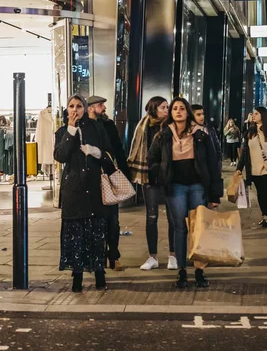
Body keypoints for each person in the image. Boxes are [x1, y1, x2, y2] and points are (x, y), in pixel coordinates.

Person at [148, 97, 222, 288]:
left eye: (182, 108)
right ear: (171, 113)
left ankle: (199, 270)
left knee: (198, 228)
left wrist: (215, 195)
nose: (178, 111)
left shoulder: (201, 135)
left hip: (198, 186)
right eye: (175, 109)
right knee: (180, 228)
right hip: (176, 187)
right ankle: (181, 270)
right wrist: (162, 172)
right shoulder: (164, 135)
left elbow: (213, 165)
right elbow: (152, 160)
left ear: (187, 112)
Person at [54, 94, 116, 292]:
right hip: (74, 190)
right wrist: (71, 131)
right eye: (71, 106)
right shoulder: (63, 131)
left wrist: (97, 152)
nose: (75, 110)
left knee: (97, 233)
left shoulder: (96, 127)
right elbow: (61, 156)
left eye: (79, 106)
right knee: (76, 235)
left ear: (85, 108)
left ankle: (100, 274)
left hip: (95, 188)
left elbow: (109, 156)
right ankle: (77, 276)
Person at [127, 96, 177, 271]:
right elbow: (138, 149)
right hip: (149, 176)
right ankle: (153, 257)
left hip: (170, 176)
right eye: (163, 107)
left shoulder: (172, 126)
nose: (167, 109)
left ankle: (173, 255)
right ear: (154, 108)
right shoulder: (143, 126)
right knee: (151, 217)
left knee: (173, 218)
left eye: (167, 107)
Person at [87, 95, 129, 272]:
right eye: (100, 105)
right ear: (90, 108)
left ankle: (113, 257)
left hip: (109, 175)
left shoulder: (108, 125)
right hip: (89, 179)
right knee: (94, 221)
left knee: (113, 219)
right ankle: (97, 257)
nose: (104, 107)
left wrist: (125, 173)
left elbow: (118, 149)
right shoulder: (82, 127)